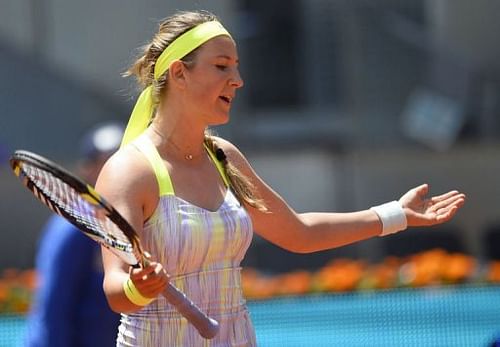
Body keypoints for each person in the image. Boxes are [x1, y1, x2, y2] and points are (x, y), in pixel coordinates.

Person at [95, 10, 466, 346]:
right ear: (179, 73)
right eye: (222, 66)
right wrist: (137, 286)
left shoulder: (225, 157)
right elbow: (116, 289)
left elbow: (299, 232)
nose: (237, 80)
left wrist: (396, 215)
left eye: (237, 67)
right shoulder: (129, 172)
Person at [25, 123, 124, 347]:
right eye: (108, 160)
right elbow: (53, 308)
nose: (119, 168)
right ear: (87, 168)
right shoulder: (71, 229)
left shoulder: (128, 224)